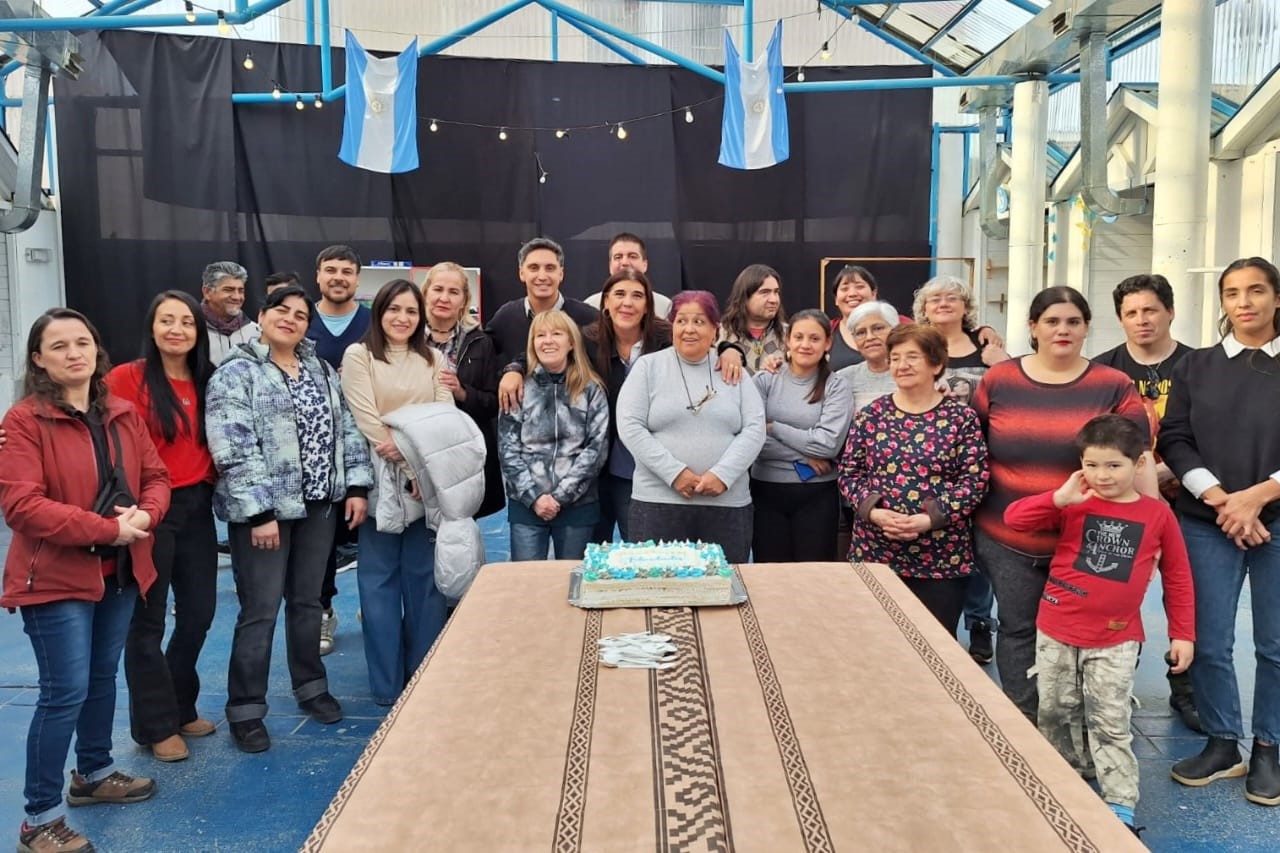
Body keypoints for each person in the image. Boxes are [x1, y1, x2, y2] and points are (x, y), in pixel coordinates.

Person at [0, 308, 170, 853]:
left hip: (118, 572)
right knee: (64, 692)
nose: (74, 353)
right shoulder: (23, 422)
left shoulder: (122, 412)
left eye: (82, 342)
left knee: (100, 678)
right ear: (38, 359)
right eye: (59, 346)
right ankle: (39, 820)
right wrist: (107, 529)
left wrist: (145, 516)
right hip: (56, 578)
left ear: (97, 349)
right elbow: (22, 506)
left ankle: (93, 774)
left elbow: (156, 476)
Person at [1004, 414, 1194, 831]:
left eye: (1114, 465)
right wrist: (1057, 498)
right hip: (1056, 630)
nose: (1102, 475)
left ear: (1139, 464)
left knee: (1110, 721)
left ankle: (1120, 804)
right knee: (1055, 712)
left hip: (1116, 639)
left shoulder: (1157, 516)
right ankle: (1061, 784)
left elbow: (1178, 576)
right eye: (1091, 464)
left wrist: (1182, 634)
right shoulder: (1074, 503)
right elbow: (1015, 519)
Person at [973, 286, 1152, 722]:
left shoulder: (1113, 385)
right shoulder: (1000, 380)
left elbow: (1139, 458)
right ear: (1033, 327)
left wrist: (1150, 530)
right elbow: (974, 448)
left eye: (1073, 321)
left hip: (1089, 541)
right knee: (1017, 629)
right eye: (1052, 321)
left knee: (1087, 635)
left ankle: (1078, 724)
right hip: (1007, 536)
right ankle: (1024, 721)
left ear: (1087, 327)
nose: (1063, 330)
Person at [206, 285, 372, 753]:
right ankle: (245, 709)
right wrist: (258, 512)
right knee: (259, 611)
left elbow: (347, 428)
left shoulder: (320, 370)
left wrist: (356, 487)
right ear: (261, 317)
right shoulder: (236, 373)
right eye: (282, 310)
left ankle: (311, 686)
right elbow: (232, 445)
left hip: (319, 507)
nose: (291, 319)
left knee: (307, 602)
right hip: (265, 516)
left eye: (301, 314)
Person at [1162, 257, 1280, 805]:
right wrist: (1220, 499)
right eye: (1232, 292)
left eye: (1256, 290)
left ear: (1277, 298)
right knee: (1209, 640)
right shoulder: (1195, 366)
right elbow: (1175, 437)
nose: (1244, 302)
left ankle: (1268, 747)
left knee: (1274, 644)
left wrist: (1258, 497)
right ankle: (1222, 742)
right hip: (1208, 520)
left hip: (1275, 518)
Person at [109, 291, 218, 764]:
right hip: (149, 510)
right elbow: (79, 415)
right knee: (148, 622)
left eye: (187, 322)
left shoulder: (208, 379)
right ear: (152, 328)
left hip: (197, 506)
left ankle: (180, 704)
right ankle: (155, 725)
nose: (177, 329)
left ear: (199, 331)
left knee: (199, 613)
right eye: (167, 320)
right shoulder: (126, 379)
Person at [1092, 273, 1201, 732]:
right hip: (1122, 506)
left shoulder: (1199, 366)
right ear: (1120, 319)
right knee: (1119, 592)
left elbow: (1208, 433)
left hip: (1190, 499)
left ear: (1170, 312)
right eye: (1131, 313)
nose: (1142, 320)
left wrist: (1168, 472)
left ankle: (1187, 688)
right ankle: (1115, 683)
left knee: (1189, 592)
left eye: (1150, 310)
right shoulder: (1104, 371)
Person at [340, 280, 454, 705]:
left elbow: (444, 415)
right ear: (379, 312)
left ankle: (423, 676)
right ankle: (387, 686)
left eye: (411, 311)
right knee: (379, 586)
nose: (402, 318)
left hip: (426, 485)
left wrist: (424, 471)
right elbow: (368, 420)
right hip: (379, 482)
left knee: (426, 584)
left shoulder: (434, 358)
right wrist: (410, 466)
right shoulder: (359, 356)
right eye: (394, 309)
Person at [839, 324, 989, 632]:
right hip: (875, 550)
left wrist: (928, 519)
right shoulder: (871, 415)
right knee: (875, 639)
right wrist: (875, 513)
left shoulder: (961, 418)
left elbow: (974, 482)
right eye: (895, 358)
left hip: (941, 556)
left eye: (912, 357)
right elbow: (850, 472)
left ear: (936, 364)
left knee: (935, 643)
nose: (902, 365)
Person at [617, 291, 766, 562]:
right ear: (672, 326)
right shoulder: (648, 367)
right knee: (658, 583)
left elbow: (755, 428)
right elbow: (630, 426)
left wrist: (723, 474)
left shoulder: (734, 370)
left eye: (699, 322)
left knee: (724, 583)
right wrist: (674, 473)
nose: (689, 329)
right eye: (681, 321)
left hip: (727, 506)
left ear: (715, 329)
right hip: (657, 504)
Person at [914, 274, 1010, 665]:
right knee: (941, 546)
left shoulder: (986, 348)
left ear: (965, 305)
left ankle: (980, 622)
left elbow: (1008, 397)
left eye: (952, 297)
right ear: (923, 308)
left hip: (980, 462)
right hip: (932, 464)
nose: (943, 303)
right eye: (935, 298)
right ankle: (939, 626)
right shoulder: (919, 346)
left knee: (978, 549)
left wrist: (1002, 363)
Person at [498, 310, 609, 560]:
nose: (548, 341)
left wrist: (561, 497)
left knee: (571, 578)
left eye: (557, 334)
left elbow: (596, 449)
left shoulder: (591, 389)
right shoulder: (518, 388)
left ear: (571, 343)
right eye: (540, 335)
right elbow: (507, 449)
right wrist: (534, 497)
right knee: (526, 579)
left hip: (578, 505)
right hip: (527, 504)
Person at [306, 245, 372, 657]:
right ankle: (323, 611)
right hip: (317, 454)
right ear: (318, 275)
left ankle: (375, 606)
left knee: (374, 537)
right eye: (330, 270)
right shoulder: (301, 320)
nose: (338, 277)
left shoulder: (372, 322)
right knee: (321, 542)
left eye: (347, 271)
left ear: (357, 279)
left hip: (369, 445)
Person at [750, 309, 853, 562]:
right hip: (765, 492)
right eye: (798, 337)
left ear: (827, 343)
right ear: (788, 340)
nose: (805, 345)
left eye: (814, 338)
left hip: (817, 495)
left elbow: (827, 445)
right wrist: (805, 456)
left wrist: (774, 428)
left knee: (814, 576)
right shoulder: (765, 380)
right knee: (769, 574)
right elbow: (752, 439)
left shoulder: (837, 386)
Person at [422, 262, 505, 518]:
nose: (444, 298)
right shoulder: (405, 337)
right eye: (438, 289)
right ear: (425, 293)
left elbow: (493, 403)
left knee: (461, 528)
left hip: (463, 454)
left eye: (453, 292)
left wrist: (462, 392)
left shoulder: (480, 342)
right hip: (418, 450)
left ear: (464, 300)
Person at [491, 238, 599, 406]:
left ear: (561, 274)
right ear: (521, 273)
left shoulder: (588, 318)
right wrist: (510, 371)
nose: (542, 276)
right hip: (520, 416)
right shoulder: (505, 318)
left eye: (550, 268)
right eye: (534, 268)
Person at [581, 233, 673, 318]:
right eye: (618, 257)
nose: (625, 263)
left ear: (645, 265)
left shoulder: (665, 306)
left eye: (632, 256)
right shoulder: (591, 305)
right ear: (610, 266)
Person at [719, 264, 787, 374]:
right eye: (765, 292)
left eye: (776, 292)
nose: (774, 300)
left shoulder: (791, 336)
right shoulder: (719, 335)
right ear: (744, 297)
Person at [836, 301, 900, 412]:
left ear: (895, 330)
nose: (869, 337)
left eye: (878, 328)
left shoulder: (913, 373)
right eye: (861, 333)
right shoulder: (843, 379)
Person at [202, 261, 259, 365]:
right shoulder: (191, 330)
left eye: (241, 291)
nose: (236, 297)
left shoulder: (257, 333)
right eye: (228, 290)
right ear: (207, 292)